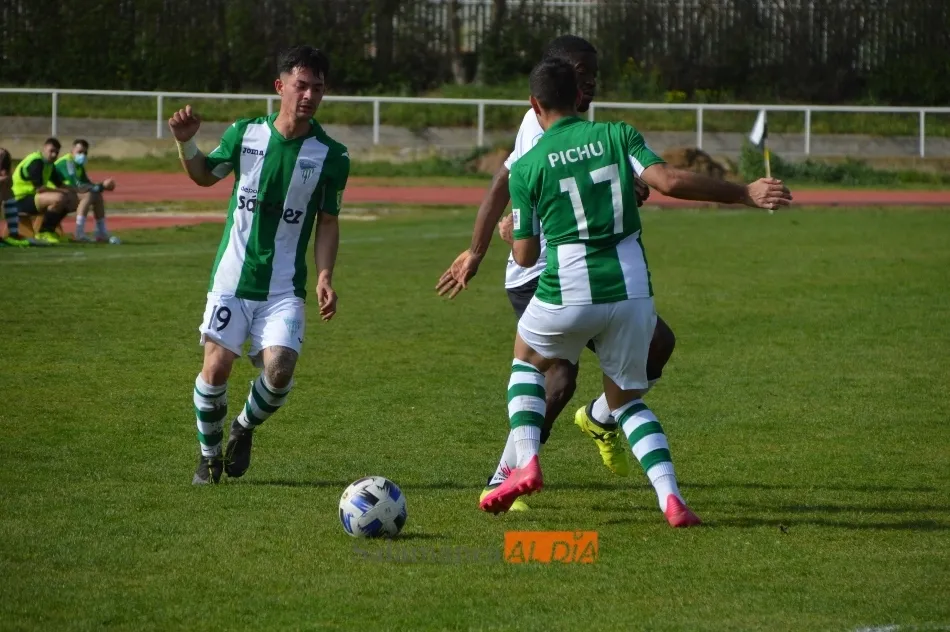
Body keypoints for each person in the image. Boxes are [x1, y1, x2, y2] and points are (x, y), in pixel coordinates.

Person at [479, 58, 791, 525]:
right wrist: (743, 193)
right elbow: (669, 182)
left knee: (526, 360)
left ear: (534, 104)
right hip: (631, 293)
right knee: (626, 399)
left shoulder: (526, 166)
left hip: (567, 290)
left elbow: (525, 257)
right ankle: (671, 498)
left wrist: (508, 235)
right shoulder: (617, 135)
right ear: (579, 98)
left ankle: (526, 462)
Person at [436, 35, 672, 511]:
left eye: (595, 73)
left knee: (658, 345)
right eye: (583, 72)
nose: (591, 82)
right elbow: (507, 182)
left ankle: (601, 417)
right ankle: (504, 477)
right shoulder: (538, 122)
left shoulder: (588, 127)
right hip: (539, 272)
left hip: (585, 273)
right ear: (558, 75)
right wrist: (477, 251)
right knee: (558, 380)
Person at [169, 45, 350, 485]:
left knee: (280, 370)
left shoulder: (331, 155)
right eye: (301, 86)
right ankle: (208, 458)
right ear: (280, 86)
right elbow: (204, 174)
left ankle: (243, 427)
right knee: (216, 368)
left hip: (284, 286)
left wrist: (325, 275)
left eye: (317, 88)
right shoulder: (245, 133)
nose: (309, 95)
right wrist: (186, 142)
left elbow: (327, 222)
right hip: (233, 278)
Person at [52, 139, 120, 243]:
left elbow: (87, 183)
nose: (82, 155)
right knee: (88, 195)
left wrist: (102, 187)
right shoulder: (67, 162)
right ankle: (79, 233)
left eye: (85, 153)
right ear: (72, 151)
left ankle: (101, 232)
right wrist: (102, 186)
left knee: (97, 195)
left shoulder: (78, 165)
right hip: (55, 194)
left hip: (68, 194)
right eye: (79, 152)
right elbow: (77, 185)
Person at [8, 138, 74, 245]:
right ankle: (43, 232)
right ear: (44, 148)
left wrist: (77, 191)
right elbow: (40, 189)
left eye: (56, 152)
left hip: (32, 198)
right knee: (59, 198)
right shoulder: (36, 162)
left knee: (72, 199)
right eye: (51, 151)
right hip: (19, 199)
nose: (54, 155)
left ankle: (51, 231)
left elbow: (60, 184)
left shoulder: (49, 164)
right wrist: (62, 191)